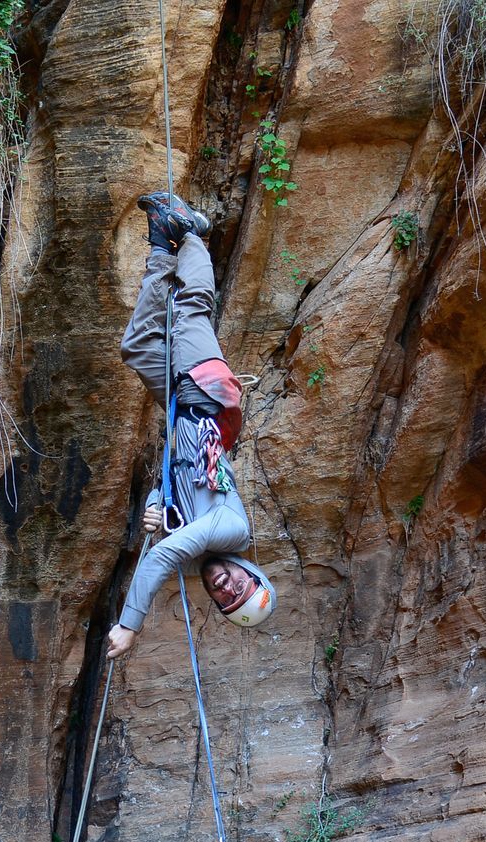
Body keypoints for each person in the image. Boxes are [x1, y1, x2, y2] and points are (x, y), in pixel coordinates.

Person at [106, 191, 275, 661]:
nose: (224, 587)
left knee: (139, 346)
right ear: (249, 571)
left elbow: (172, 485)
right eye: (237, 586)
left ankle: (162, 246)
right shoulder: (231, 532)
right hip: (204, 399)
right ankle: (192, 234)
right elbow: (160, 557)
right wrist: (128, 627)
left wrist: (157, 508)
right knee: (190, 311)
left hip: (184, 410)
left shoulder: (197, 539)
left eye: (225, 599)